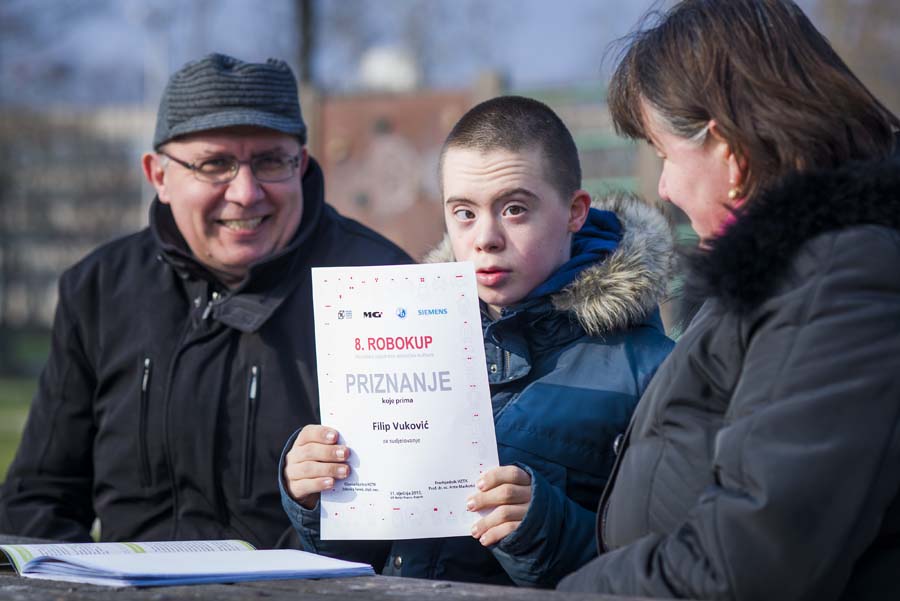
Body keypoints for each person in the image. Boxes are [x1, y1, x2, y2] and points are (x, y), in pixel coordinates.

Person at [556, 1, 900, 599]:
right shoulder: (784, 270)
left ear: (728, 150)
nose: (663, 187)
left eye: (665, 153)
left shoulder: (839, 278)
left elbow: (755, 556)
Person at [0, 53, 411, 547]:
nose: (245, 192)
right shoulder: (99, 289)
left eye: (270, 161)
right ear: (159, 175)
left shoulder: (384, 284)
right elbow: (38, 499)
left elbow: (418, 516)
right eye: (215, 164)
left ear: (301, 164)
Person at [280, 96, 676, 587]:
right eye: (464, 213)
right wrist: (312, 496)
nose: (486, 237)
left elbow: (667, 563)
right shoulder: (396, 332)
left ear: (575, 212)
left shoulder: (651, 371)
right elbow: (368, 553)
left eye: (514, 209)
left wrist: (543, 527)